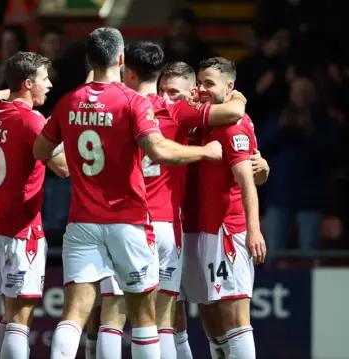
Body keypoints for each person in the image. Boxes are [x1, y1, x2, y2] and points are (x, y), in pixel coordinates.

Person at [32, 27, 222, 359]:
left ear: (89, 60)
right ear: (121, 60)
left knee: (76, 313)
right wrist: (205, 153)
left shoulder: (68, 100)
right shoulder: (132, 102)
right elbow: (158, 151)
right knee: (144, 314)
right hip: (127, 221)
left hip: (81, 222)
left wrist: (70, 165)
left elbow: (40, 149)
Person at [84, 44, 249, 359]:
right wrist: (236, 94)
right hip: (163, 225)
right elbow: (234, 111)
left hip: (124, 222)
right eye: (166, 89)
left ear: (128, 72)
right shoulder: (177, 112)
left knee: (117, 315)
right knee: (161, 318)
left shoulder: (116, 108)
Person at [0, 51, 68, 359]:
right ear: (27, 84)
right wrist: (62, 134)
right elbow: (63, 168)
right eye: (44, 79)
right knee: (20, 319)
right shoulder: (31, 121)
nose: (49, 85)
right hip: (19, 228)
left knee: (9, 314)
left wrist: (11, 89)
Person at [183, 57, 267, 359]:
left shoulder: (232, 126)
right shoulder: (205, 119)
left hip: (228, 229)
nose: (203, 89)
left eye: (210, 84)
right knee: (209, 311)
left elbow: (248, 182)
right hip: (201, 228)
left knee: (234, 317)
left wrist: (253, 231)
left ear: (229, 87)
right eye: (200, 83)